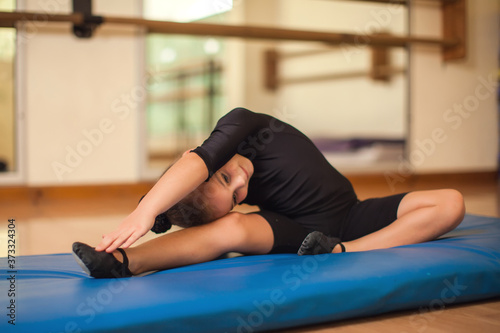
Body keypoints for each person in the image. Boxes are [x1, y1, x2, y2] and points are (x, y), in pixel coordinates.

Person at [72, 108, 465, 278]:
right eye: (235, 196)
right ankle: (125, 263)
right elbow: (214, 201)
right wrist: (164, 217)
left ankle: (346, 252)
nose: (242, 185)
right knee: (234, 230)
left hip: (350, 219)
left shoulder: (241, 126)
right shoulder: (232, 198)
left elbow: (198, 160)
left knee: (451, 202)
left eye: (226, 179)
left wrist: (145, 212)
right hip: (299, 232)